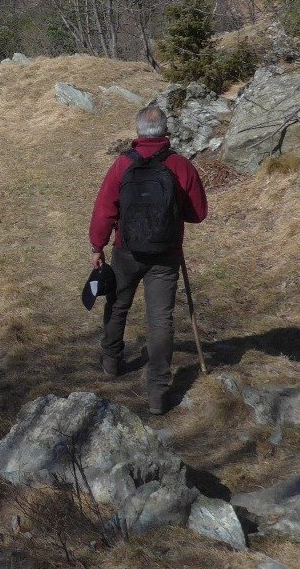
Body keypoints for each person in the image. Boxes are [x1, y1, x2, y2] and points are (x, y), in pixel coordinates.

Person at [89, 105, 208, 415]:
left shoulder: (122, 165)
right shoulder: (181, 166)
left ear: (138, 131)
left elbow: (105, 209)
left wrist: (97, 246)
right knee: (161, 320)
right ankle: (157, 391)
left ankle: (112, 361)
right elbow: (198, 214)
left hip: (127, 251)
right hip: (166, 254)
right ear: (165, 131)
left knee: (117, 304)